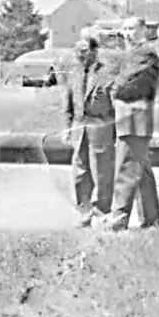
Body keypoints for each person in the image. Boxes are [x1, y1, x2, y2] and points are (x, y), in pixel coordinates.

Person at [102, 17, 159, 232]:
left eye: (132, 29)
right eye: (125, 29)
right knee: (141, 170)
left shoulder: (144, 52)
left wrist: (110, 90)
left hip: (134, 119)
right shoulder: (130, 53)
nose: (128, 33)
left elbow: (124, 83)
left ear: (143, 30)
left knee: (126, 168)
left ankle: (119, 218)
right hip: (131, 119)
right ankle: (151, 218)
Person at [64, 33, 118, 226]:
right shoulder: (74, 73)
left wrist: (115, 130)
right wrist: (68, 128)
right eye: (78, 51)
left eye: (85, 51)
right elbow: (68, 103)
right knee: (80, 171)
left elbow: (114, 103)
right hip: (79, 129)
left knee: (101, 171)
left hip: (101, 128)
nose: (80, 55)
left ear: (95, 52)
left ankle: (102, 211)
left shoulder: (107, 73)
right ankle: (84, 212)